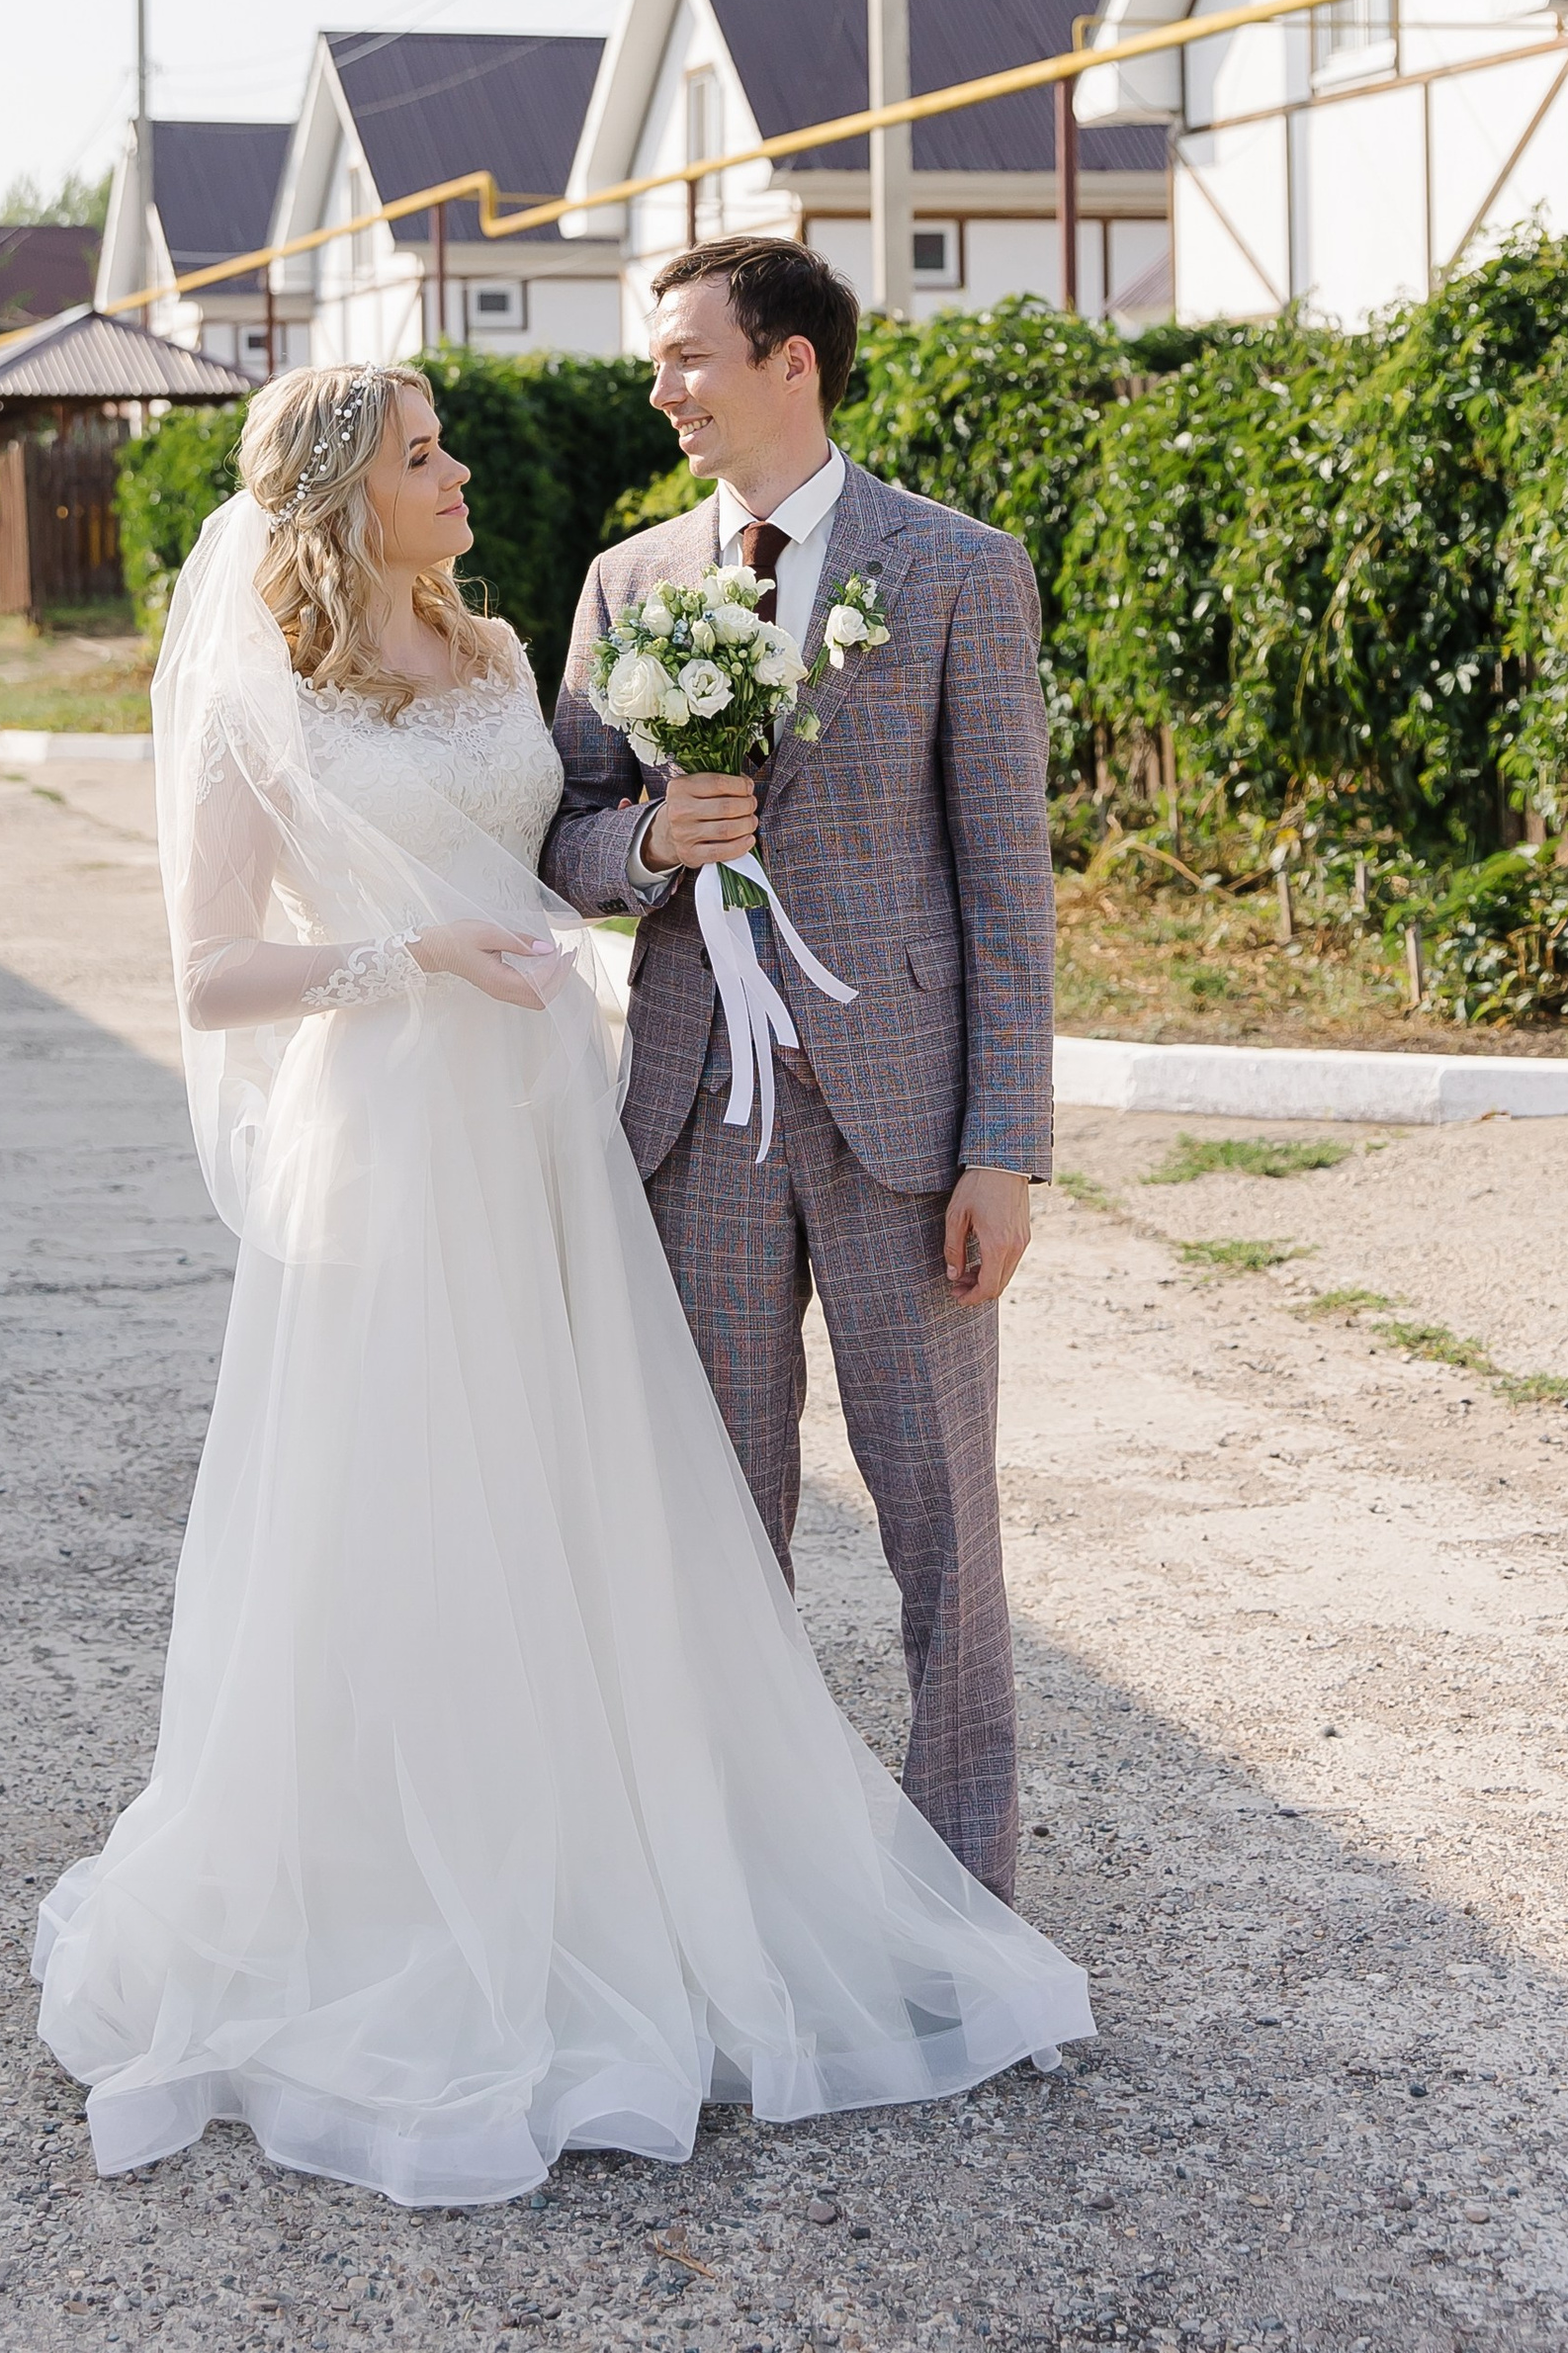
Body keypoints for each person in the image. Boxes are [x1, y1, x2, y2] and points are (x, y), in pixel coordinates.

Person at [35, 360, 1089, 2208]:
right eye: (430, 455)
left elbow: (564, 850)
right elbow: (210, 975)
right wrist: (404, 954)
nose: (461, 474)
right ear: (351, 495)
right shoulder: (261, 695)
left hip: (547, 1123)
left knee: (589, 1498)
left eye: (449, 445)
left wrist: (646, 858)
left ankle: (648, 1865)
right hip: (394, 1123)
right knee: (418, 1511)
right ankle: (422, 1892)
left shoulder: (515, 644)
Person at [543, 236, 1053, 1907]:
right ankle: (729, 1878)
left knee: (942, 1528)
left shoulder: (958, 567)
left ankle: (962, 1883)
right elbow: (558, 834)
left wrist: (1007, 1144)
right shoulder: (626, 583)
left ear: (792, 365)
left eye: (688, 354)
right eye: (657, 357)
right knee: (712, 1518)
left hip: (905, 1122)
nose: (662, 386)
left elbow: (1006, 875)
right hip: (697, 1113)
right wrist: (648, 842)